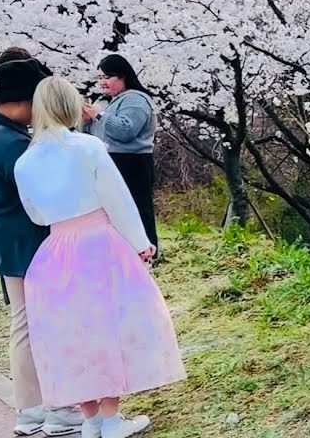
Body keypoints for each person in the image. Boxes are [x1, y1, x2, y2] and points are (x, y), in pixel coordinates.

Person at [16, 77, 184, 438]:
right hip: (99, 244)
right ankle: (110, 419)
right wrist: (140, 242)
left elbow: (35, 216)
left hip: (55, 250)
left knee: (71, 335)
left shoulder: (25, 161)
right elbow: (118, 199)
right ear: (70, 105)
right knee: (109, 327)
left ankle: (90, 420)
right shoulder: (88, 147)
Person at [0, 58, 83, 437]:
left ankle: (32, 411)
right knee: (42, 326)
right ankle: (58, 411)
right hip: (27, 245)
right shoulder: (9, 141)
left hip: (8, 244)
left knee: (25, 325)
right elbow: (46, 192)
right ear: (23, 100)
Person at [82, 55, 159, 254]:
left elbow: (125, 131)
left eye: (107, 76)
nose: (102, 82)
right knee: (115, 209)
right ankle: (124, 251)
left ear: (122, 76)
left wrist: (98, 114)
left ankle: (147, 250)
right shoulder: (110, 101)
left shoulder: (136, 99)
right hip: (112, 160)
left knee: (137, 207)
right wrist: (87, 121)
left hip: (132, 162)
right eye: (100, 77)